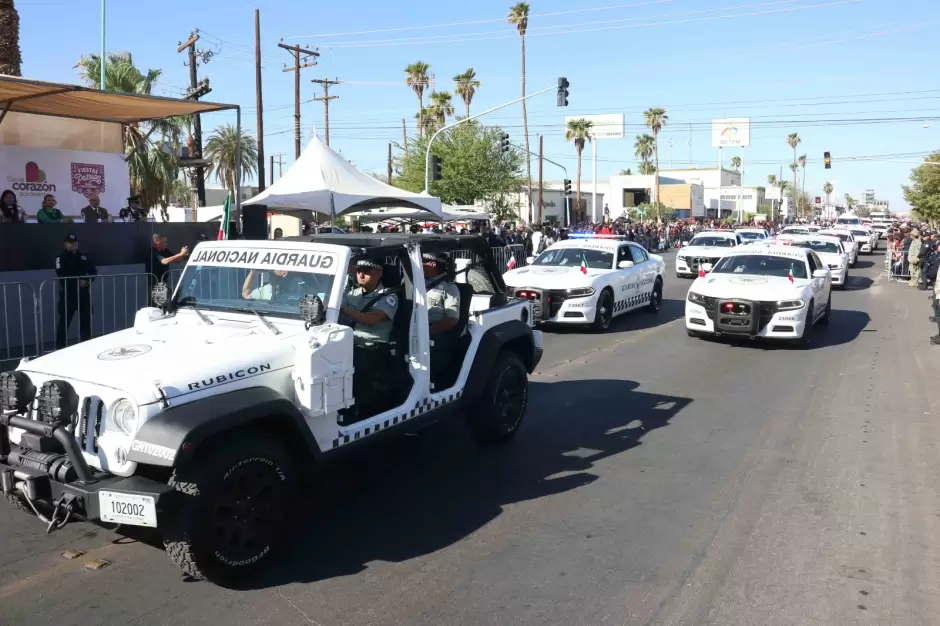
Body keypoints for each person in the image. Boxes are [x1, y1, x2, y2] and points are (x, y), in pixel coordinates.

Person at [339, 259, 397, 344]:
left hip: (370, 349)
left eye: (366, 271)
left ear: (379, 273)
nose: (361, 275)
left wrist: (344, 309)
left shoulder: (388, 297)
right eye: (358, 271)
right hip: (349, 343)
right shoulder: (353, 294)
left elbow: (372, 318)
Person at [55, 234, 96, 348]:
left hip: (83, 295)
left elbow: (93, 271)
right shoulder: (61, 258)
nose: (74, 244)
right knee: (64, 323)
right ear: (65, 244)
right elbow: (61, 274)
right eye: (71, 242)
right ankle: (60, 347)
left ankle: (86, 345)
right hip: (69, 295)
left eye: (75, 242)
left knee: (86, 321)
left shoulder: (83, 256)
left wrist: (87, 281)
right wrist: (76, 283)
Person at [150, 234, 189, 302]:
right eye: (165, 242)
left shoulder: (165, 250)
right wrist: (180, 254)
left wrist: (184, 255)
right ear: (159, 242)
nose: (167, 244)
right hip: (154, 282)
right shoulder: (153, 251)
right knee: (158, 301)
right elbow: (164, 261)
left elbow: (176, 260)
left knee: (168, 298)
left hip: (163, 281)